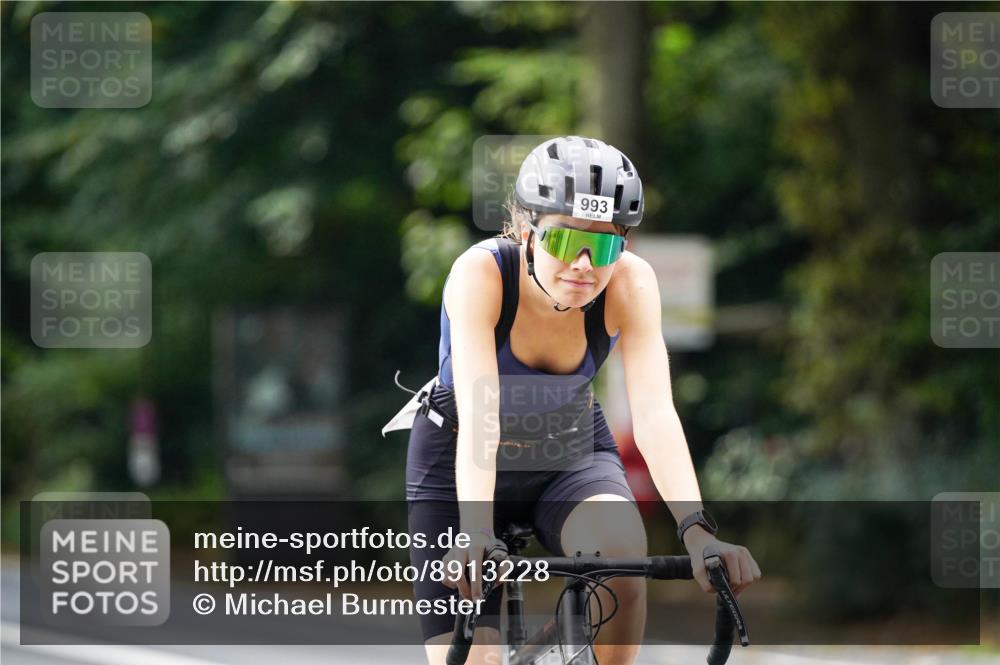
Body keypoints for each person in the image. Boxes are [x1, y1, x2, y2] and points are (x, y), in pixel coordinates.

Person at [396, 136, 761, 665]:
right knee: (475, 659)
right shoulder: (480, 275)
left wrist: (698, 534)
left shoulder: (632, 285)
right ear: (526, 232)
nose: (584, 265)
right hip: (461, 452)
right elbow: (483, 417)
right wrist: (476, 533)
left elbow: (656, 413)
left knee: (622, 555)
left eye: (606, 246)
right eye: (565, 242)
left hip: (567, 449)